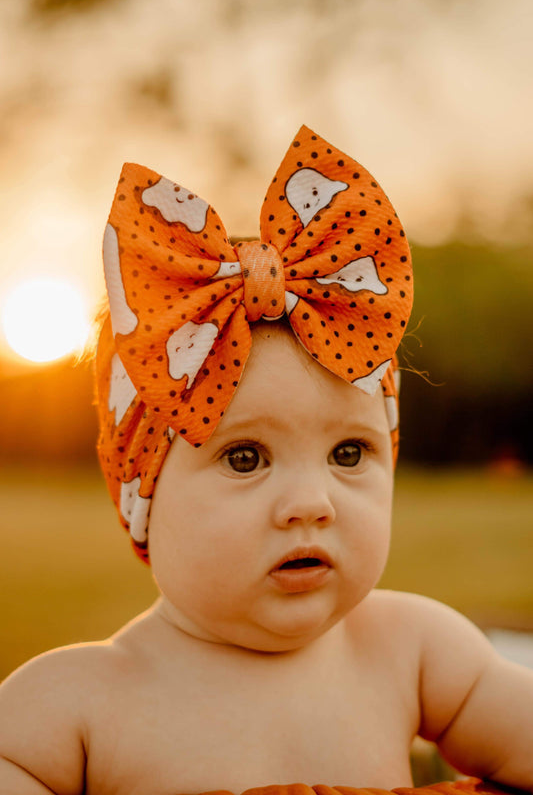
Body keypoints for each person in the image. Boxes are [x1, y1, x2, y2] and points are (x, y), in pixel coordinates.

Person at [1, 126, 532, 795]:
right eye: (246, 457)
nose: (312, 502)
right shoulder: (76, 704)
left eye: (348, 452)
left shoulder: (413, 652)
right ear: (144, 496)